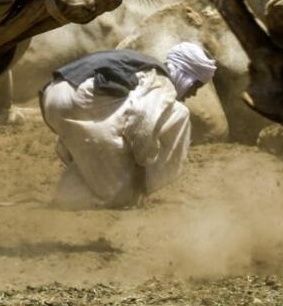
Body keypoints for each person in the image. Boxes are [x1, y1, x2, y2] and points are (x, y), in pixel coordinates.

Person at [40, 42, 217, 209]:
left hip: (53, 95)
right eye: (196, 85)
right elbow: (141, 123)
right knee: (180, 113)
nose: (193, 94)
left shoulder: (145, 67)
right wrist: (141, 172)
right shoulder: (163, 81)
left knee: (107, 155)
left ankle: (69, 195)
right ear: (186, 74)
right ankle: (75, 200)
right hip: (81, 99)